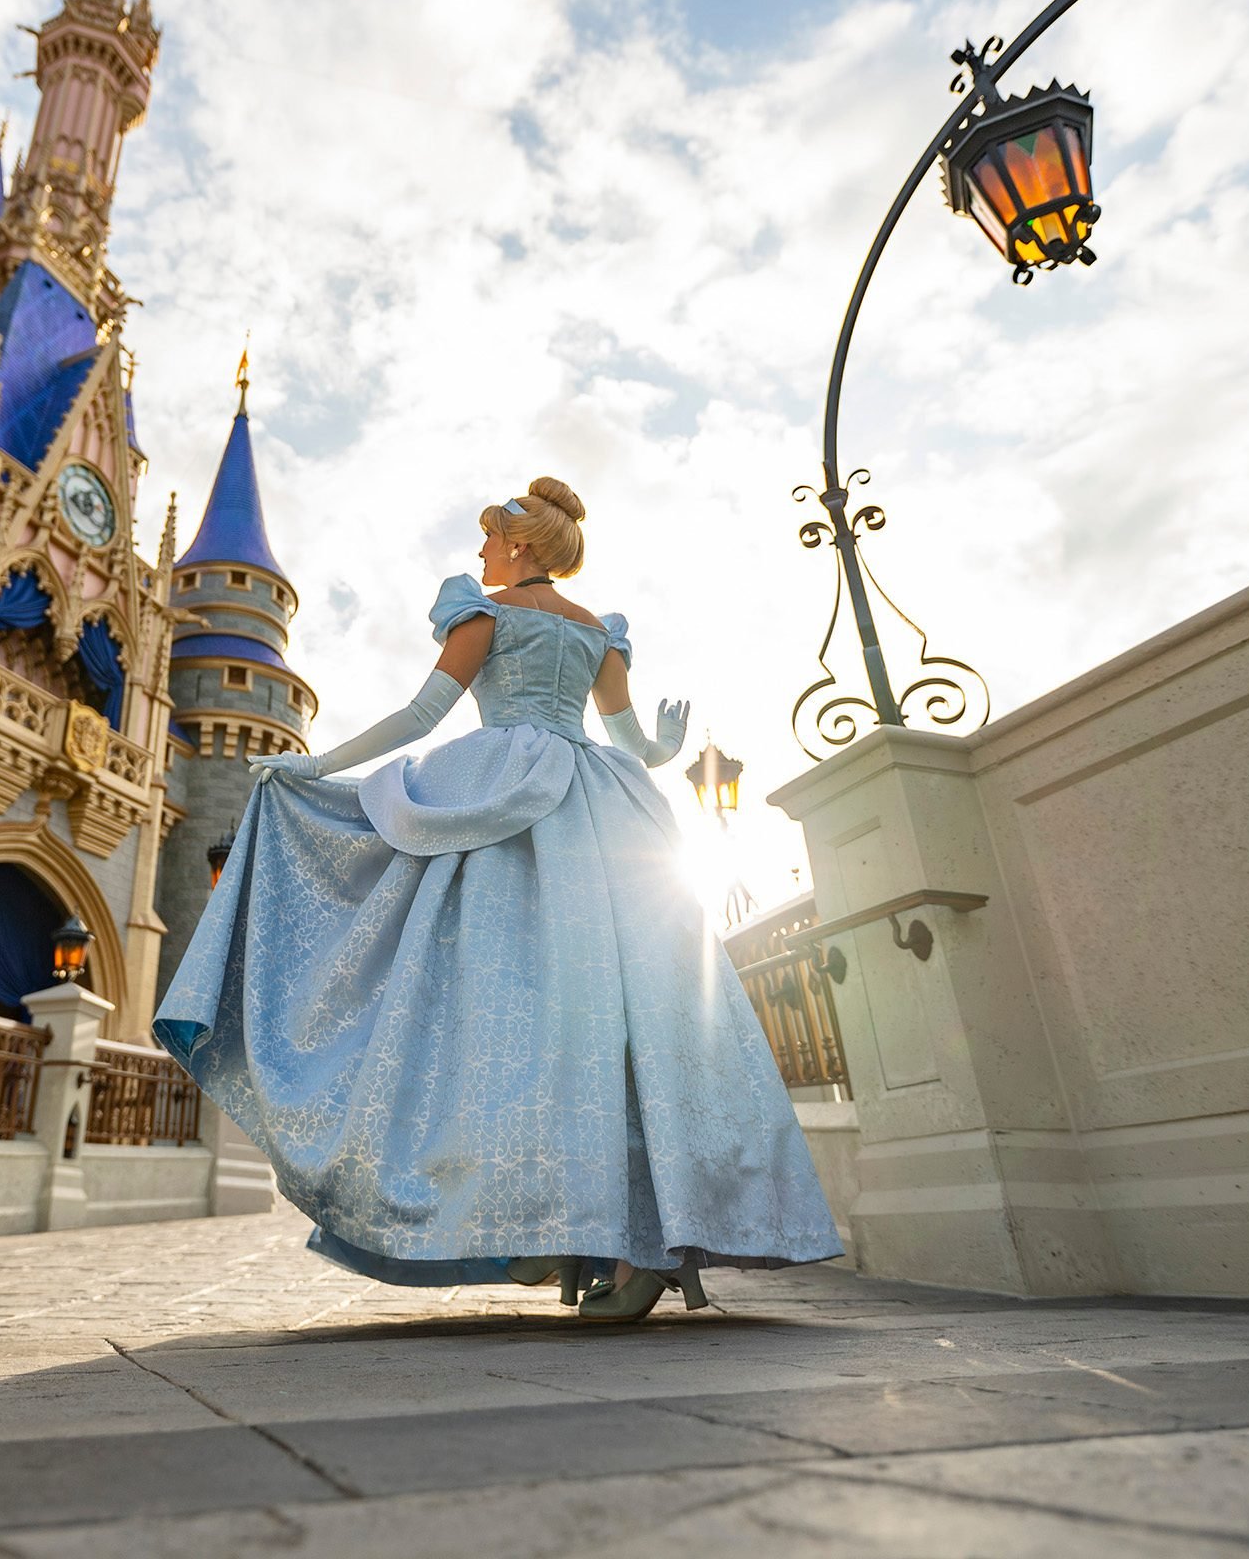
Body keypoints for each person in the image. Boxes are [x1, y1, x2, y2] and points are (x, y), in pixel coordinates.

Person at [154, 477, 843, 1322]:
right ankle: (608, 1242)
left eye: (489, 540)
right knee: (614, 1024)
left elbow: (420, 717)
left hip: (502, 798)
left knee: (494, 1015)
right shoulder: (597, 631)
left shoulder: (484, 613)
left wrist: (316, 766)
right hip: (598, 805)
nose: (480, 553)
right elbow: (633, 744)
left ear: (518, 548)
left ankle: (564, 1230)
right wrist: (662, 741)